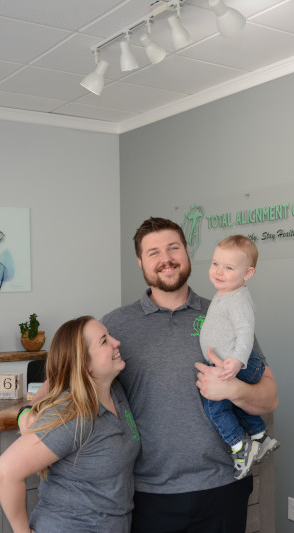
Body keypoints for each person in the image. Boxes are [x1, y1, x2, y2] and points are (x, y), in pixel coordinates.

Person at [102, 217, 279, 533]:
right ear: (140, 261)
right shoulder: (115, 327)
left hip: (223, 486)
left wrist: (231, 390)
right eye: (153, 252)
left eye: (173, 248)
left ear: (186, 252)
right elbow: (70, 382)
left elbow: (270, 397)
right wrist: (27, 413)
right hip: (150, 494)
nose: (166, 259)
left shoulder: (226, 310)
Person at [0, 316, 140, 533]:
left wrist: (28, 409)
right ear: (85, 364)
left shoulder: (114, 392)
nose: (116, 342)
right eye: (104, 341)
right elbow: (3, 474)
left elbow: (56, 379)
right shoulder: (73, 416)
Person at [199, 235, 280, 480]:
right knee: (235, 403)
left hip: (242, 364)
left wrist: (236, 361)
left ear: (248, 273)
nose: (219, 272)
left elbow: (246, 332)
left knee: (213, 405)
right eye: (215, 264)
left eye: (229, 267)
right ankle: (259, 437)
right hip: (233, 363)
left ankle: (239, 445)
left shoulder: (238, 299)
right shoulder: (226, 293)